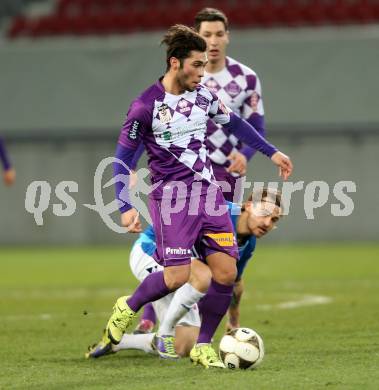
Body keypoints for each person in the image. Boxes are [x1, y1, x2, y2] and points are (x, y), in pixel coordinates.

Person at [98, 24, 292, 368]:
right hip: (171, 201)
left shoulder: (202, 96)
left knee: (226, 273)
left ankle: (203, 345)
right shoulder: (144, 107)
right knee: (175, 278)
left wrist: (271, 152)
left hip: (209, 196)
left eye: (205, 65)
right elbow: (122, 159)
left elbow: (236, 124)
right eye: (197, 65)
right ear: (175, 63)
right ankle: (126, 307)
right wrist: (124, 206)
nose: (203, 72)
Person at [86, 188, 283, 360]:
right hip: (152, 250)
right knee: (203, 276)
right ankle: (160, 330)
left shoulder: (249, 243)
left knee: (184, 346)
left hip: (184, 269)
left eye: (274, 219)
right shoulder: (219, 210)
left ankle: (117, 341)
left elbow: (234, 282)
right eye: (264, 213)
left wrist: (233, 320)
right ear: (248, 206)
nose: (267, 223)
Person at [195, 8, 267, 202]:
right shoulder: (183, 76)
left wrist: (245, 155)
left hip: (228, 170)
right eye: (206, 35)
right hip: (187, 169)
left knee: (226, 231)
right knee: (180, 230)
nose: (213, 41)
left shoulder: (246, 78)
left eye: (219, 34)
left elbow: (257, 126)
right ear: (196, 38)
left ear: (227, 37)